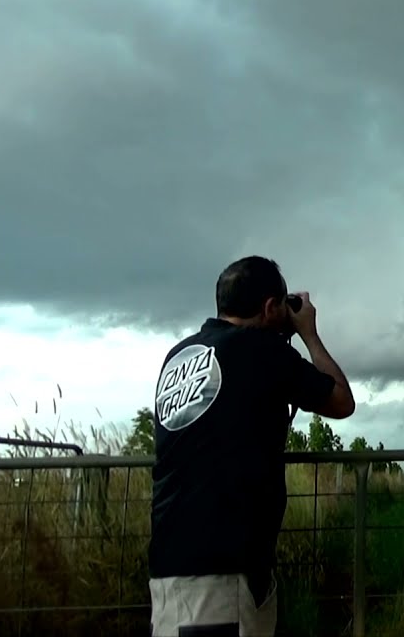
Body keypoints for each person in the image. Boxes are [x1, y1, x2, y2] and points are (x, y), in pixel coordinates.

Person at [148, 255, 355, 637]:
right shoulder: (261, 351)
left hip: (170, 563)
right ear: (270, 307)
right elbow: (341, 401)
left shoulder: (179, 357)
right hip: (223, 567)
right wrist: (308, 333)